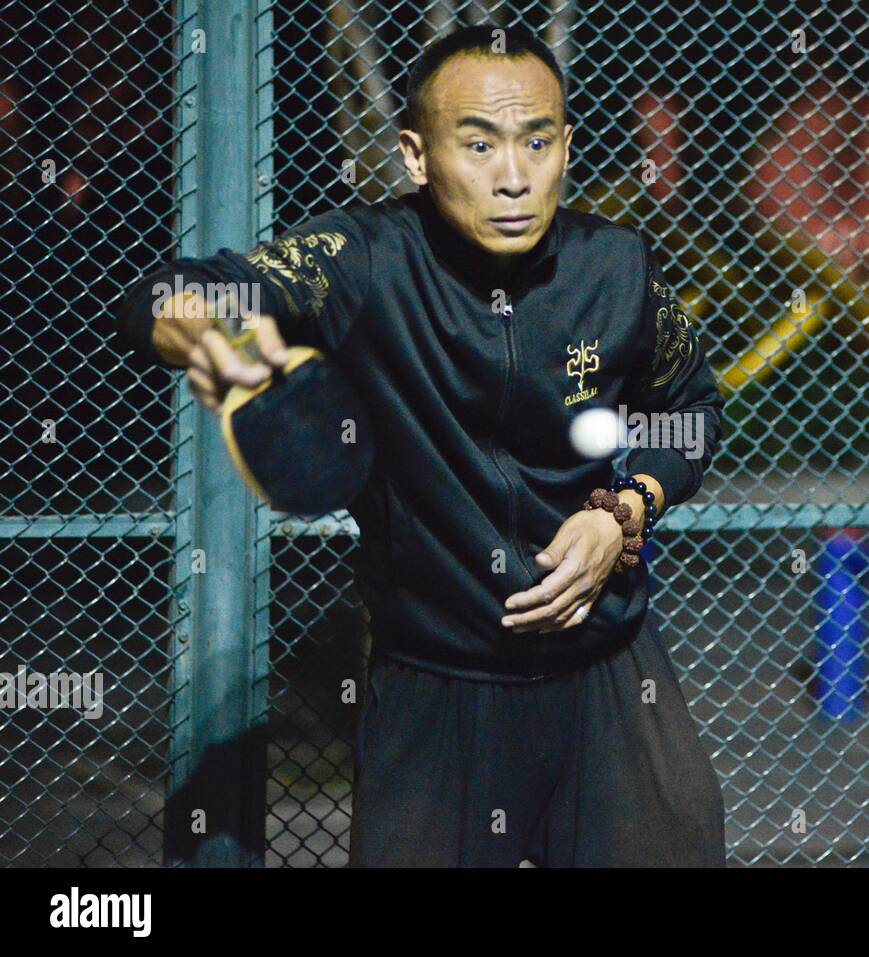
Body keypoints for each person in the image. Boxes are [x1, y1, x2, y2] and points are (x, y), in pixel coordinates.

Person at [113, 24, 727, 867]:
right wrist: (200, 330)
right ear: (415, 154)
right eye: (477, 143)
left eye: (537, 141)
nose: (513, 176)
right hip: (437, 699)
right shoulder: (362, 262)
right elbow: (169, 292)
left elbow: (689, 412)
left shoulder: (616, 269)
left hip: (612, 683)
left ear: (565, 145)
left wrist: (628, 509)